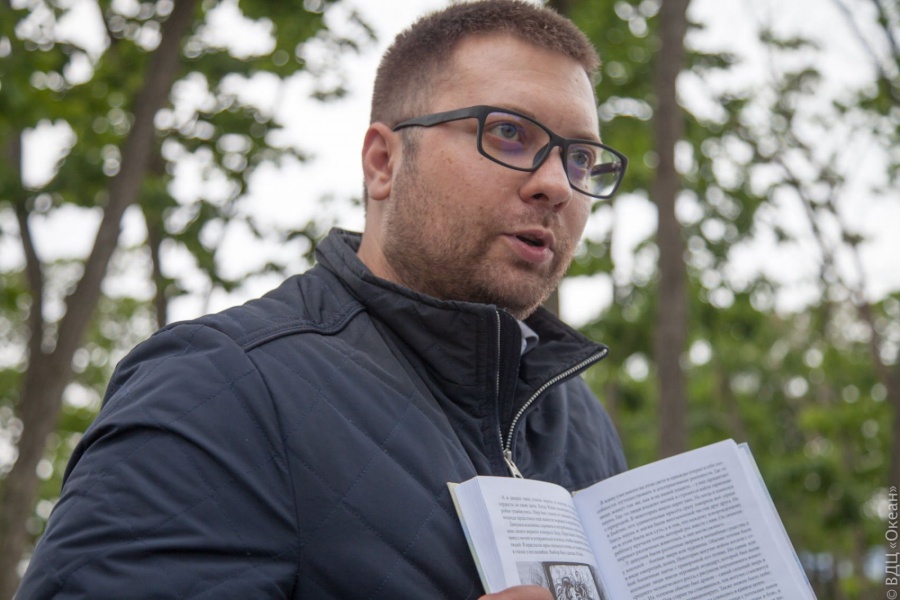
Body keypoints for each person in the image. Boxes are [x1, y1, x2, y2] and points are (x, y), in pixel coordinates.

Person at [16, 1, 629, 598]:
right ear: (383, 162)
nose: (557, 185)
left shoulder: (580, 421)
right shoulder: (216, 386)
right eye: (509, 133)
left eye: (580, 158)